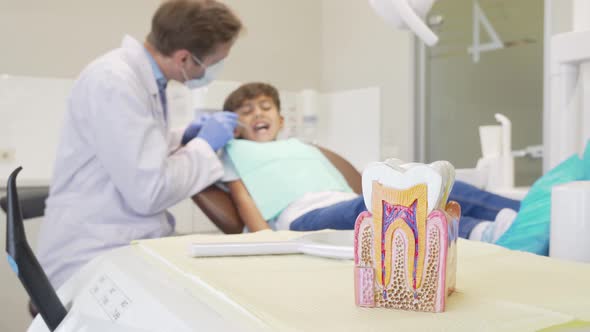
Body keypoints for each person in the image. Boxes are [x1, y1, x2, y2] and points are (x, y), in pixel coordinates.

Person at [37, 0, 243, 289]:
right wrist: (205, 147)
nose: (214, 71)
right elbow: (149, 191)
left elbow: (130, 146)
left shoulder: (140, 78)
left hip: (119, 239)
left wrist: (181, 137)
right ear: (184, 59)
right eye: (214, 63)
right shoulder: (114, 81)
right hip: (93, 250)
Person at [218, 82, 521, 241]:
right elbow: (244, 202)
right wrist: (270, 243)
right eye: (246, 111)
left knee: (430, 181)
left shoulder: (301, 147)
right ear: (234, 126)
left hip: (344, 201)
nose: (257, 113)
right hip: (303, 218)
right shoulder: (235, 153)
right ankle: (480, 232)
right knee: (384, 204)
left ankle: (524, 213)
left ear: (281, 119)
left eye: (265, 107)